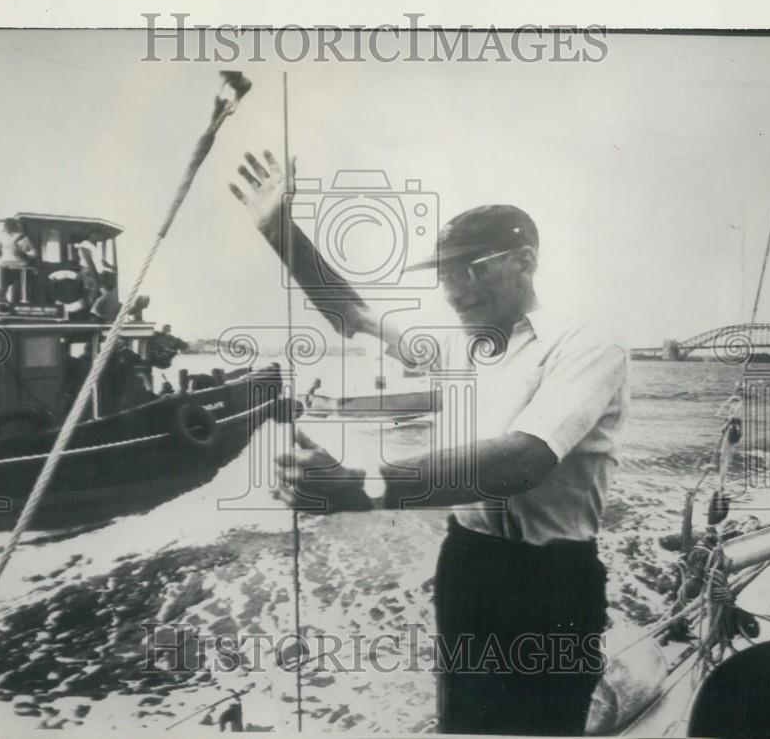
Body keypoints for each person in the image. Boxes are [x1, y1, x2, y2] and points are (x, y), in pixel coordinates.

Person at [230, 151, 629, 736]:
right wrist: (280, 233)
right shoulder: (457, 346)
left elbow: (524, 458)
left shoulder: (585, 342)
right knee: (462, 722)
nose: (454, 288)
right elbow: (351, 314)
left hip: (551, 579)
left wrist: (363, 486)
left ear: (526, 260)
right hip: (469, 560)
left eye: (473, 268)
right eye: (444, 272)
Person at [0, 218, 38, 302]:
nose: (7, 227)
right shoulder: (0, 237)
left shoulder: (21, 237)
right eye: (6, 225)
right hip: (6, 265)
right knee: (3, 288)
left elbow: (34, 253)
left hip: (20, 267)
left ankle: (15, 307)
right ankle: (2, 307)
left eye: (10, 224)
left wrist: (24, 252)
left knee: (17, 290)